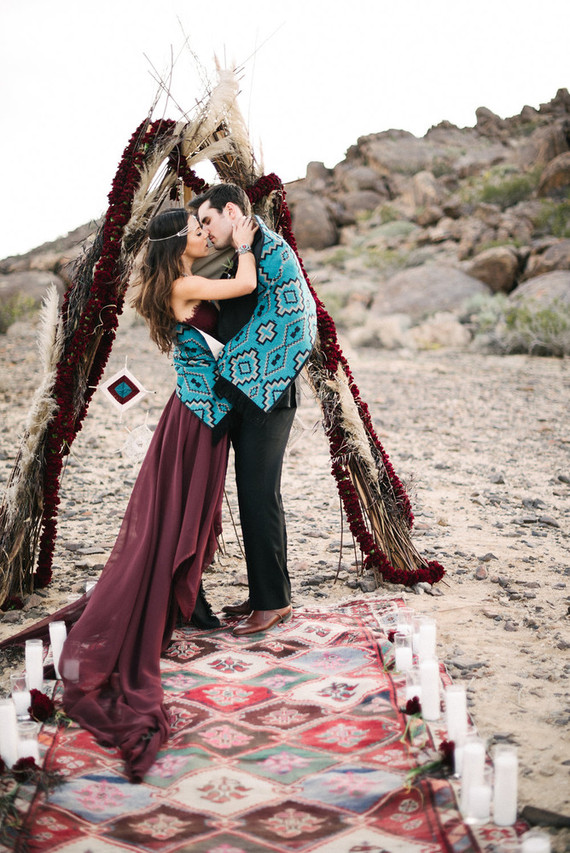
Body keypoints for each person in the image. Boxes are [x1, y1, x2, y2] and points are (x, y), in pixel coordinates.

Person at [49, 208, 258, 782]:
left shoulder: (181, 276)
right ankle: (184, 598)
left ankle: (187, 598)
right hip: (195, 415)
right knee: (185, 509)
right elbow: (243, 283)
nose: (202, 233)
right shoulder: (186, 281)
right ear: (176, 246)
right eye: (194, 229)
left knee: (191, 507)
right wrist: (243, 242)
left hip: (195, 410)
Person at [193, 183, 317, 637]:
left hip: (269, 392)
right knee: (253, 494)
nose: (206, 232)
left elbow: (295, 319)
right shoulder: (245, 250)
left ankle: (273, 603)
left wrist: (235, 367)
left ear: (231, 210)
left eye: (208, 221)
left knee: (260, 493)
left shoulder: (270, 249)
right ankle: (267, 592)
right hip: (248, 390)